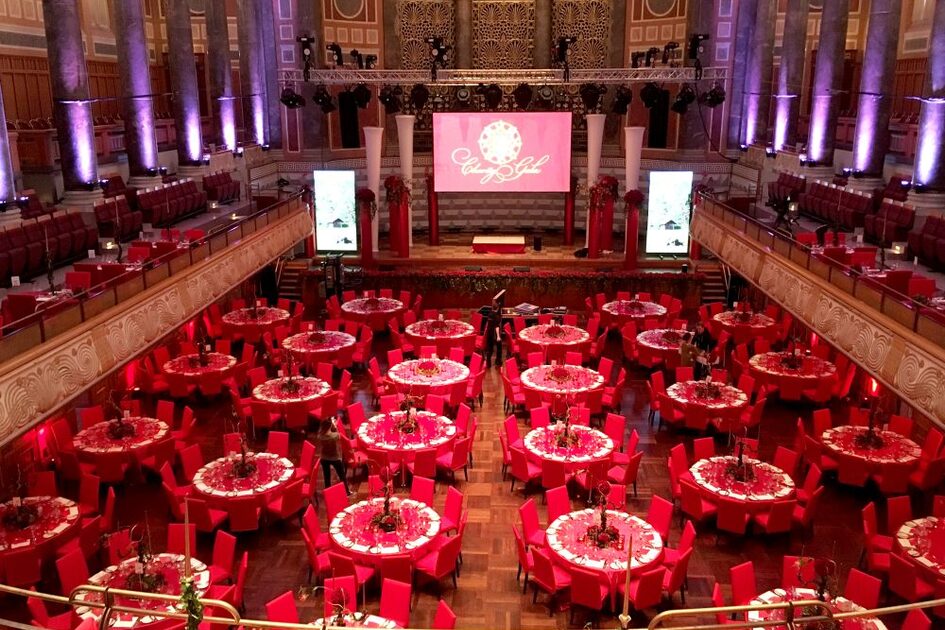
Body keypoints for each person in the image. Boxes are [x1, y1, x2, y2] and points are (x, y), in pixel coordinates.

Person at [316, 418, 350, 495]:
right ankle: (347, 491)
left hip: (324, 458)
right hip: (335, 458)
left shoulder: (320, 435)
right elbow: (339, 435)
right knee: (342, 476)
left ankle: (328, 493)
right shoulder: (334, 436)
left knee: (327, 477)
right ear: (329, 426)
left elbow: (325, 432)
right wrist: (335, 427)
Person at [484, 300, 503, 368]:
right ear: (498, 308)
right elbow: (497, 326)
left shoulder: (490, 313)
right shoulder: (497, 317)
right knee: (499, 347)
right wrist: (498, 336)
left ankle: (488, 364)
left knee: (490, 348)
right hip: (494, 334)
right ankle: (498, 362)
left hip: (489, 333)